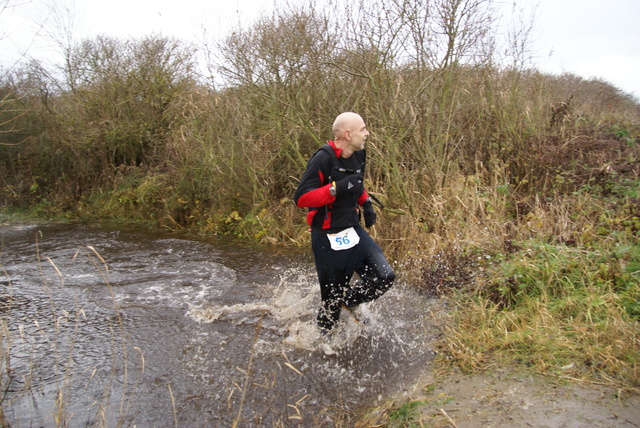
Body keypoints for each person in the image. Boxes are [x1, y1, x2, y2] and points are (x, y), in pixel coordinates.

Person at [294, 112, 395, 334]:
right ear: (348, 134)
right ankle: (322, 350)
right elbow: (301, 198)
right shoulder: (323, 157)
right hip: (327, 237)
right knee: (330, 307)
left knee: (384, 276)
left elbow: (355, 183)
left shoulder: (359, 155)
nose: (367, 133)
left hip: (352, 230)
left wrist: (365, 201)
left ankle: (349, 301)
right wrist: (333, 190)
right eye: (363, 129)